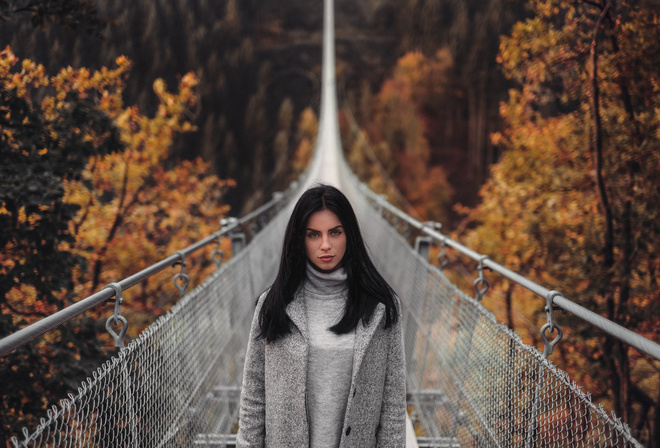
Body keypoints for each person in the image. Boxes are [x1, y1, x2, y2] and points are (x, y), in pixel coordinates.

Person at [236, 184, 406, 448]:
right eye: (313, 235)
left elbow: (393, 403)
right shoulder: (273, 305)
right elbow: (254, 397)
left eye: (335, 232)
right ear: (299, 240)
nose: (325, 245)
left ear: (349, 234)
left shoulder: (381, 307)